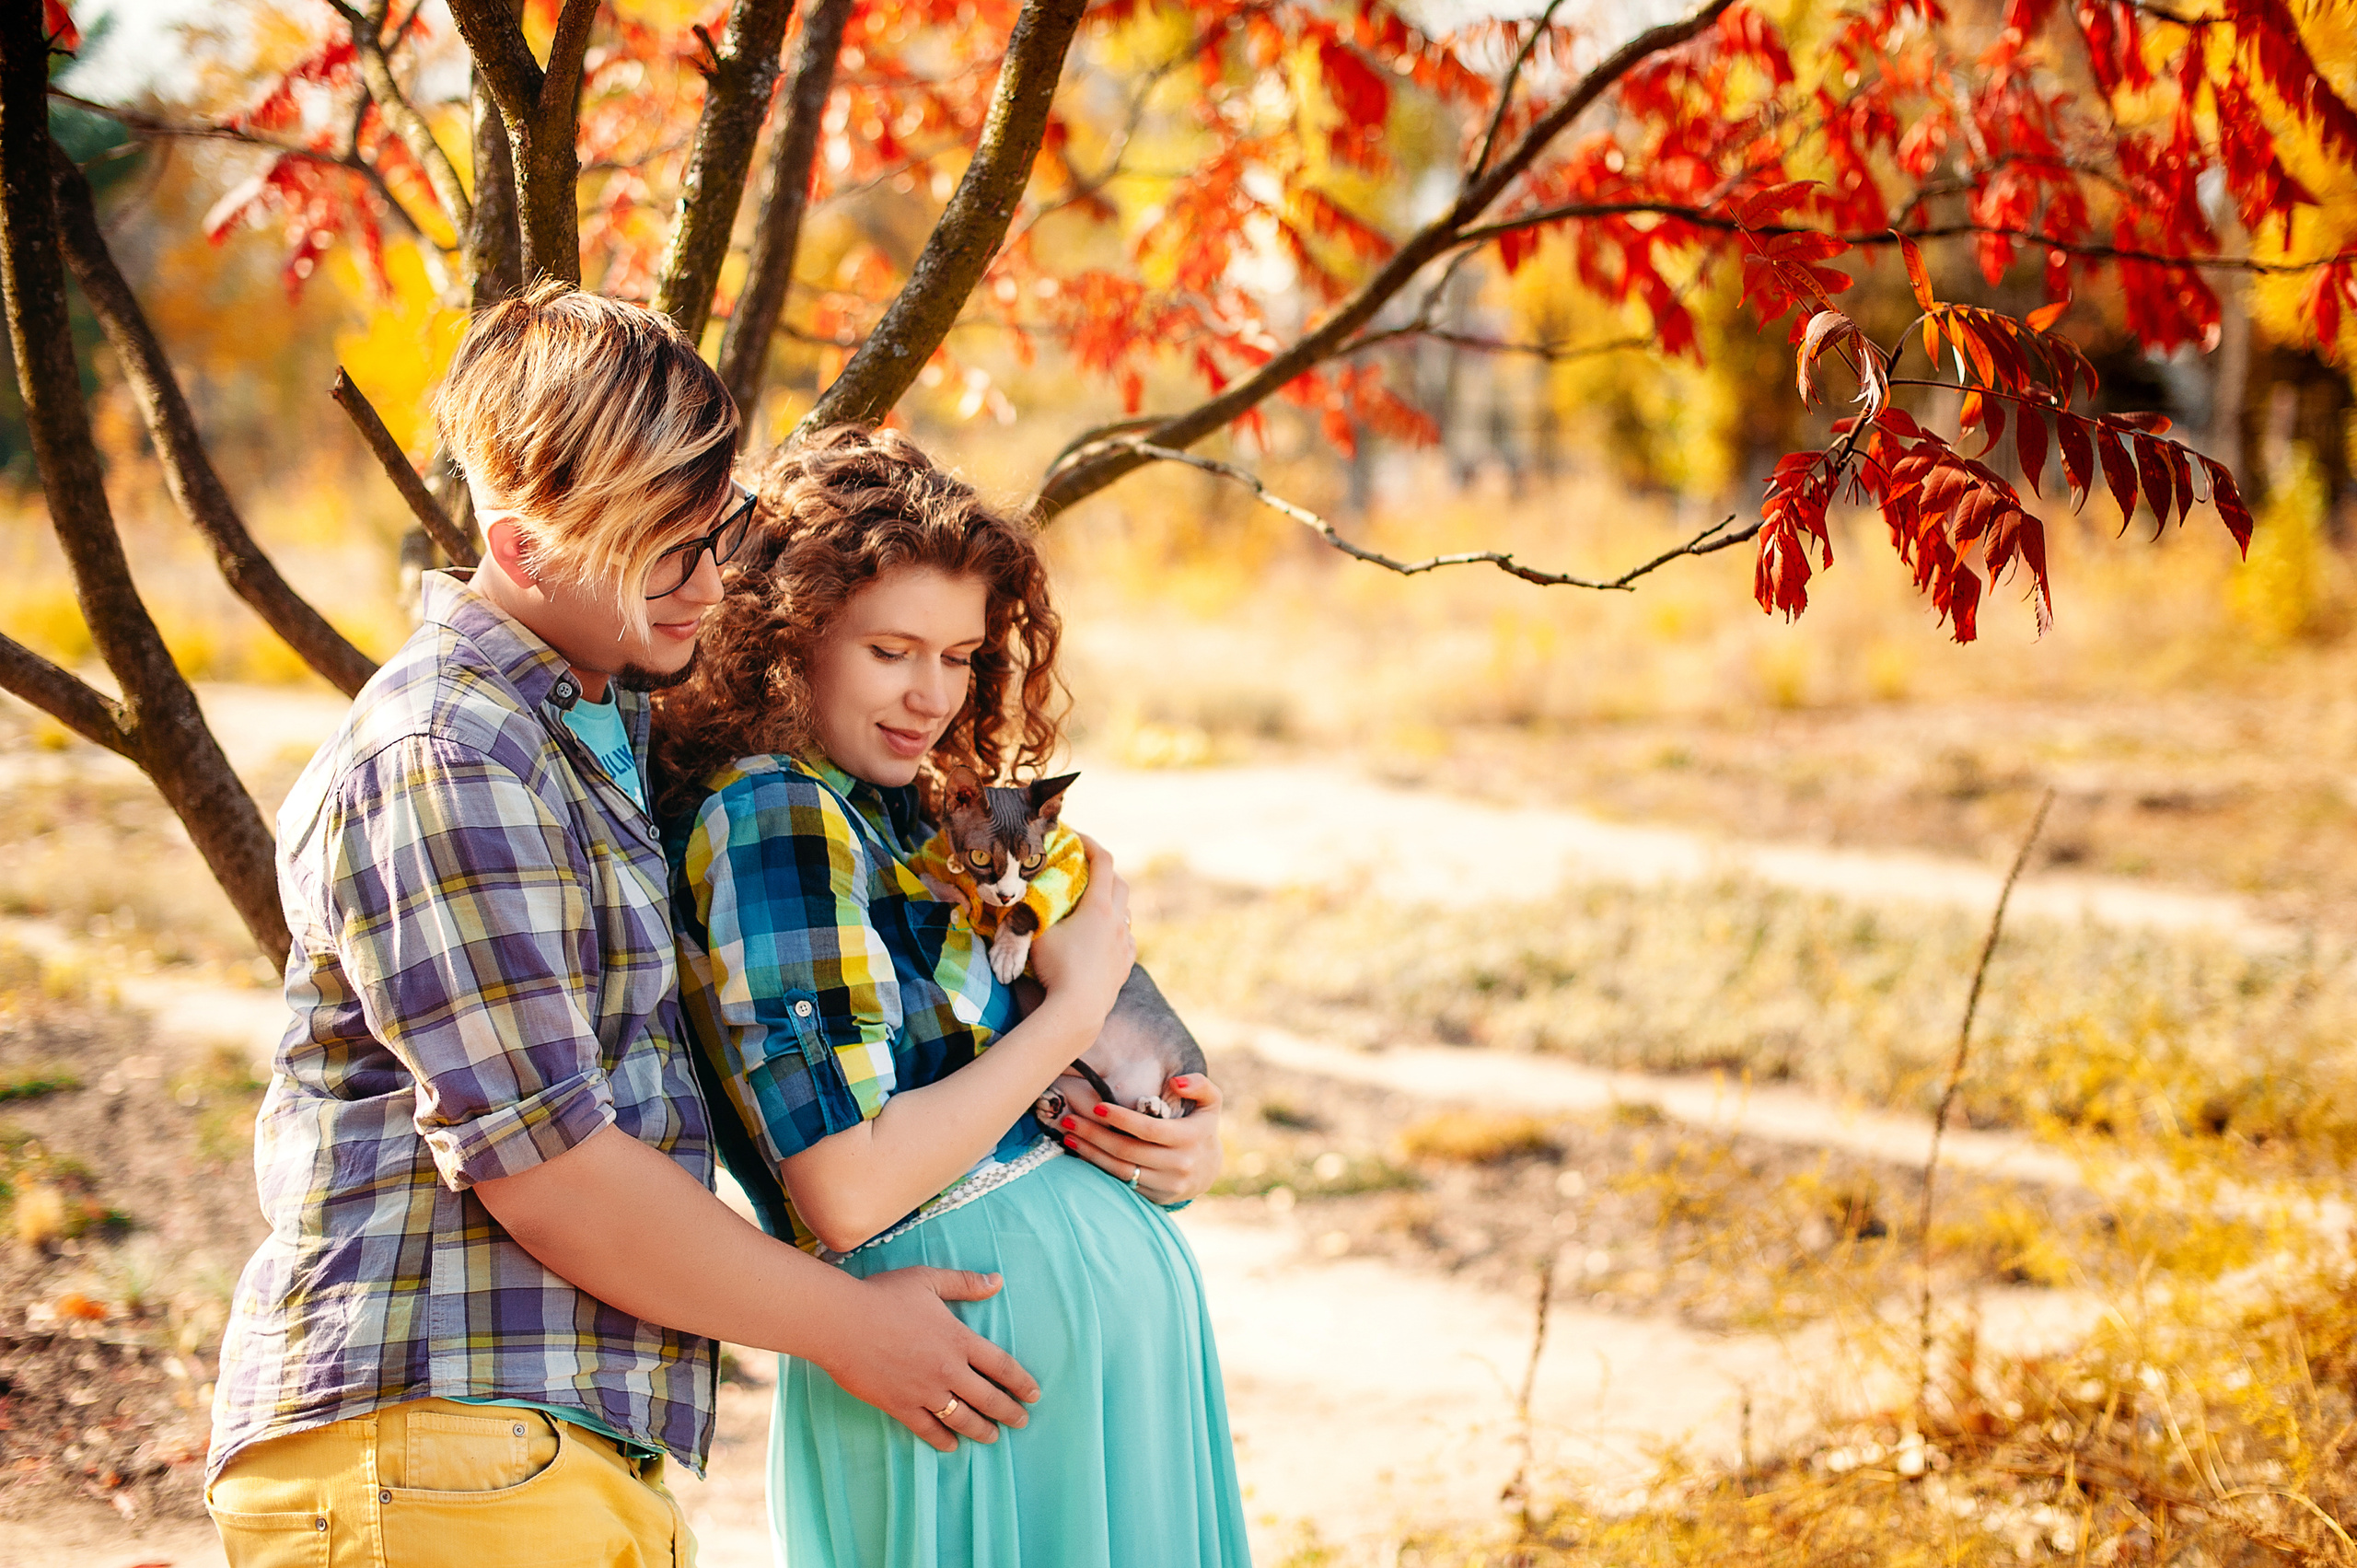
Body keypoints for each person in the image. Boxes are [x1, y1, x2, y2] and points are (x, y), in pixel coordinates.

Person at [205, 285, 1041, 1567]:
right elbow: (552, 1173)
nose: (714, 584)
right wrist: (852, 1325)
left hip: (530, 1450)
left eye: (717, 536)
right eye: (669, 549)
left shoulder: (590, 735)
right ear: (525, 545)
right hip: (436, 1445)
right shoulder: (449, 753)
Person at [654, 424, 1250, 1567]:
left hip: (1043, 1352)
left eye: (962, 655)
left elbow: (1001, 1079)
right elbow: (849, 1182)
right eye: (892, 650)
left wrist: (1171, 1144)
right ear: (793, 638)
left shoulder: (900, 811)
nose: (933, 694)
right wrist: (1075, 1013)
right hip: (956, 1360)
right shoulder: (773, 810)